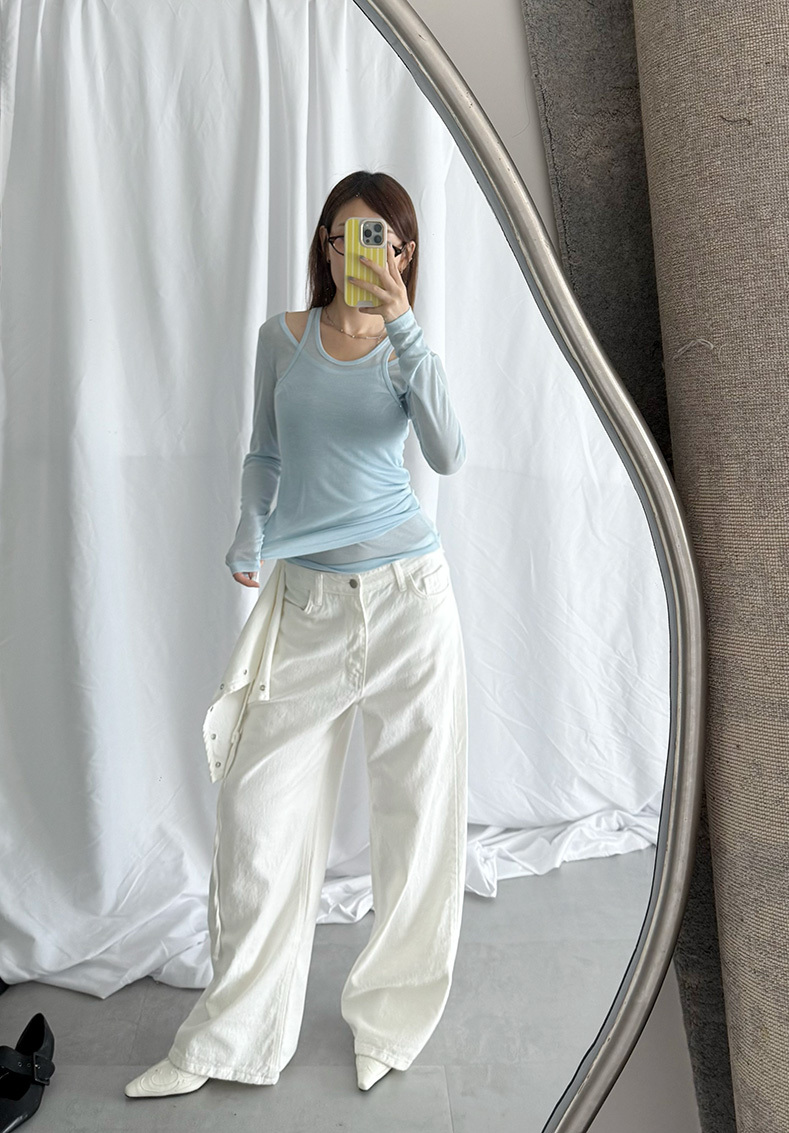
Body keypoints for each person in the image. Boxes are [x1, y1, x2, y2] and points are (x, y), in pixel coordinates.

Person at [125, 171, 469, 1098]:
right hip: (308, 608)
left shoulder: (406, 350)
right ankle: (227, 1041)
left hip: (410, 601)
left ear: (405, 254)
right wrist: (251, 526)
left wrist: (404, 325)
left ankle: (389, 1023)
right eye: (347, 236)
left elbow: (449, 452)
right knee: (257, 818)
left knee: (415, 820)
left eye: (383, 240)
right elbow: (264, 454)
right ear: (325, 244)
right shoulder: (281, 338)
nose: (364, 253)